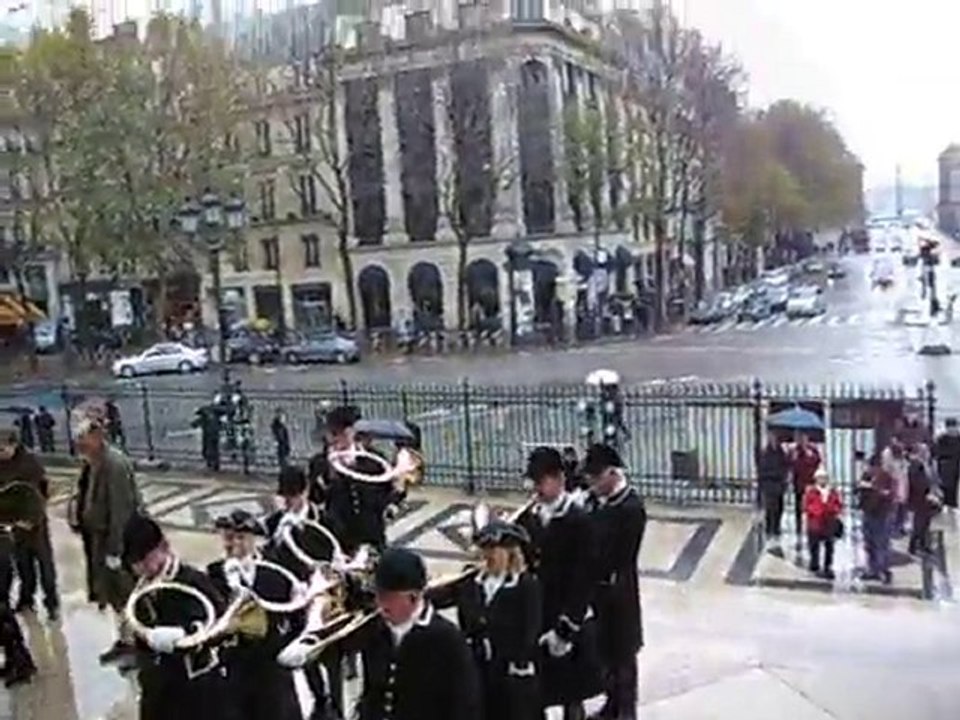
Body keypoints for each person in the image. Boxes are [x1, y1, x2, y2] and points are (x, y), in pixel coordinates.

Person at [516, 447, 603, 720]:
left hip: (566, 617)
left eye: (540, 481)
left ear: (559, 479)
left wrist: (567, 626)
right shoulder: (528, 519)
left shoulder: (579, 521)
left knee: (571, 693)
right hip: (539, 614)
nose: (535, 489)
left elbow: (584, 579)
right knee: (537, 692)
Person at [345, 546, 482, 720]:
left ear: (414, 597)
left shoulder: (447, 639)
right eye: (378, 595)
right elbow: (373, 693)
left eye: (388, 597)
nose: (380, 603)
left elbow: (465, 705)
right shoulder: (376, 631)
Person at [122, 514, 237, 720]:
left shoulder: (193, 581)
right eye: (136, 563)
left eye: (146, 559)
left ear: (163, 547)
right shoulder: (143, 592)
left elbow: (220, 626)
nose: (142, 568)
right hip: (159, 690)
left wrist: (183, 634)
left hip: (197, 693)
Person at [428, 520, 542, 720]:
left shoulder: (526, 586)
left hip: (509, 672)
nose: (488, 555)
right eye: (485, 549)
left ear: (509, 553)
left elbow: (530, 628)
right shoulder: (472, 583)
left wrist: (519, 662)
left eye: (494, 550)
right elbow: (440, 599)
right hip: (477, 667)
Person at [206, 510, 306, 720]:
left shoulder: (274, 574)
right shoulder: (214, 577)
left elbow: (293, 616)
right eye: (229, 537)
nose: (234, 544)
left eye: (241, 537)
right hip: (235, 673)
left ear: (253, 539)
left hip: (271, 673)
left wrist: (287, 647)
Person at [581, 444, 646, 720]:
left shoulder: (630, 507)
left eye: (597, 478)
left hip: (620, 591)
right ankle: (612, 703)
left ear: (611, 473)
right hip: (599, 592)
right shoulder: (597, 501)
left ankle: (627, 710)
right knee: (604, 651)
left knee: (624, 655)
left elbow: (614, 553)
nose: (593, 484)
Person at [75, 415, 143, 663]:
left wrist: (116, 549)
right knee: (114, 595)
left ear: (97, 437)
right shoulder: (93, 462)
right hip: (99, 539)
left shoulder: (114, 465)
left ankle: (137, 644)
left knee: (126, 593)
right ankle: (125, 640)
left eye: (83, 438)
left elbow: (121, 510)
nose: (79, 444)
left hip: (117, 542)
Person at [323, 406, 408, 553]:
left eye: (339, 433)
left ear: (351, 432)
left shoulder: (374, 461)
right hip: (340, 540)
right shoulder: (321, 463)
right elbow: (317, 499)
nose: (334, 439)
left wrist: (398, 489)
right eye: (332, 433)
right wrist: (332, 476)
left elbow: (388, 495)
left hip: (371, 536)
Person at [0, 426, 59, 619]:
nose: (1, 453)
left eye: (3, 449)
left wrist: (32, 518)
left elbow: (42, 491)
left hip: (36, 525)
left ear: (14, 445)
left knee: (45, 566)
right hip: (14, 525)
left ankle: (52, 603)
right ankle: (26, 600)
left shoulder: (29, 463)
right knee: (23, 566)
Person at [858, 455, 895, 584]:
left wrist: (875, 489)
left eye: (872, 467)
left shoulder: (886, 477)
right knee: (869, 543)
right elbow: (860, 492)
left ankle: (883, 570)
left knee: (881, 543)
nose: (870, 470)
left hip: (882, 514)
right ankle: (872, 569)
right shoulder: (866, 476)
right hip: (868, 512)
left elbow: (889, 494)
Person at [802, 467, 843, 579]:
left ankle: (827, 566)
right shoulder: (811, 491)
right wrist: (819, 511)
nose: (822, 480)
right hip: (815, 523)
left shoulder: (832, 492)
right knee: (814, 546)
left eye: (824, 478)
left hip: (828, 523)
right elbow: (807, 506)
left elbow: (838, 505)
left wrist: (831, 510)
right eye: (820, 478)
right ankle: (814, 564)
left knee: (829, 546)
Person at [907, 443, 941, 555]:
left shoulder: (928, 464)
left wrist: (935, 491)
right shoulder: (915, 465)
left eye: (927, 451)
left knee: (925, 523)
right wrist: (926, 493)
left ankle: (922, 544)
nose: (926, 454)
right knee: (918, 523)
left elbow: (932, 479)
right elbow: (915, 482)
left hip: (926, 498)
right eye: (924, 451)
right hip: (919, 498)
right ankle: (913, 545)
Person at [757, 431, 789, 540]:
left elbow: (785, 466)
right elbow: (762, 469)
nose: (773, 440)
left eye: (775, 438)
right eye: (771, 438)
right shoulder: (765, 453)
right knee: (770, 507)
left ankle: (776, 526)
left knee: (779, 506)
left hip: (779, 484)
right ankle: (769, 526)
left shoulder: (781, 452)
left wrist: (784, 477)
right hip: (769, 483)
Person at [789, 434, 821, 536]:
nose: (802, 441)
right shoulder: (794, 451)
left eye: (804, 438)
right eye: (800, 439)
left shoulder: (812, 449)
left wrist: (810, 455)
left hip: (810, 481)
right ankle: (798, 526)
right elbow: (792, 465)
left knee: (812, 505)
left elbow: (817, 461)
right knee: (798, 505)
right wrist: (794, 458)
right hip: (798, 482)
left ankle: (812, 526)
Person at [880, 435, 910, 536]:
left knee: (902, 509)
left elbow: (905, 467)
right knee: (893, 509)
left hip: (903, 483)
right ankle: (891, 529)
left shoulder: (902, 454)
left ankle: (900, 527)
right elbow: (887, 469)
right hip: (893, 483)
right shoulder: (887, 453)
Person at [933, 418, 960, 510]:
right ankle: (945, 503)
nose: (952, 429)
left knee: (954, 485)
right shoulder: (942, 439)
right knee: (945, 485)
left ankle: (951, 503)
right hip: (945, 464)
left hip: (955, 465)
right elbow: (936, 452)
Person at [193, 404, 222, 472]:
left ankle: (212, 464)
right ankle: (214, 465)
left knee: (209, 450)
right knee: (213, 450)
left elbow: (195, 424)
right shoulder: (214, 416)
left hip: (209, 435)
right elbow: (195, 423)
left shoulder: (206, 417)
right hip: (214, 435)